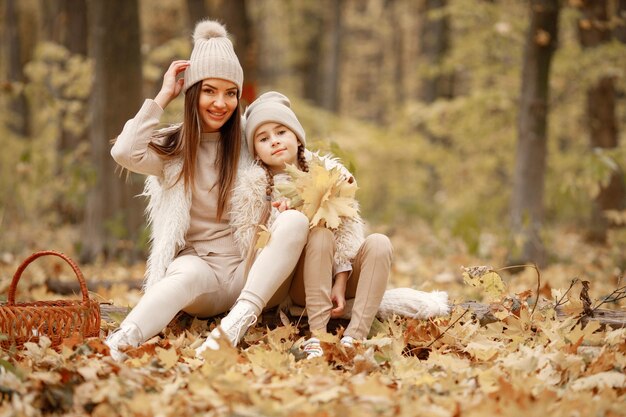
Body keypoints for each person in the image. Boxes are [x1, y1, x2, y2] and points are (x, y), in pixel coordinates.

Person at [106, 21, 310, 361]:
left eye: (230, 93)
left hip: (255, 268)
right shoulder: (173, 147)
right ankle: (120, 342)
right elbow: (125, 152)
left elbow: (301, 162)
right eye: (209, 90)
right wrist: (163, 95)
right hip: (202, 270)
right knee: (180, 277)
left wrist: (293, 200)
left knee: (293, 222)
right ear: (192, 92)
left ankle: (234, 327)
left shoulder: (251, 139)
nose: (221, 103)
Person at [229, 91, 394, 359]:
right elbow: (253, 249)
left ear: (296, 136)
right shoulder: (254, 187)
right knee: (317, 234)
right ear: (256, 150)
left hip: (334, 270)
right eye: (263, 138)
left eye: (281, 132)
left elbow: (347, 235)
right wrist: (278, 219)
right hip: (294, 283)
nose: (275, 141)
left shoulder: (329, 174)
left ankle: (355, 337)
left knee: (379, 243)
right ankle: (319, 336)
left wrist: (340, 282)